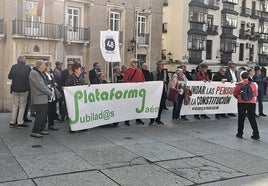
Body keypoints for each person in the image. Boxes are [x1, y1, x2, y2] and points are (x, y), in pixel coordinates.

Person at [233, 71, 260, 140]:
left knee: (241, 118)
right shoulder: (253, 84)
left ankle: (240, 133)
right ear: (248, 77)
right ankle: (256, 134)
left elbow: (235, 94)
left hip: (241, 103)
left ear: (241, 77)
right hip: (251, 103)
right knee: (252, 118)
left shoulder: (239, 84)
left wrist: (240, 98)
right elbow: (256, 94)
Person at [29, 60, 52, 138]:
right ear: (39, 66)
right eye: (44, 65)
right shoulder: (34, 73)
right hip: (39, 97)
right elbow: (40, 85)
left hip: (43, 97)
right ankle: (35, 131)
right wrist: (49, 92)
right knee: (40, 115)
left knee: (44, 115)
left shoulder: (40, 73)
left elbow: (44, 84)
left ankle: (41, 129)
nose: (45, 67)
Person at [8, 55, 31, 128]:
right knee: (22, 106)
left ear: (18, 60)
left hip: (15, 89)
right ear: (24, 60)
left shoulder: (14, 66)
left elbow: (10, 77)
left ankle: (12, 122)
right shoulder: (28, 67)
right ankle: (20, 123)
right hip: (24, 89)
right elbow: (30, 77)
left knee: (14, 105)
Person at [123, 58, 145, 125]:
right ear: (131, 63)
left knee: (137, 105)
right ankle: (127, 120)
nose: (136, 63)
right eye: (134, 62)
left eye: (136, 62)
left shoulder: (139, 70)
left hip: (138, 91)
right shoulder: (128, 70)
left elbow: (143, 78)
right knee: (129, 106)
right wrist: (132, 85)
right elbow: (125, 80)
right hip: (131, 91)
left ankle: (138, 119)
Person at [150, 60, 168, 125]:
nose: (162, 66)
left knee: (161, 106)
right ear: (157, 65)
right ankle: (151, 120)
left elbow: (167, 81)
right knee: (154, 105)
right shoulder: (153, 73)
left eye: (163, 65)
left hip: (163, 91)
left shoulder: (165, 72)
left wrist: (165, 81)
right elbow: (151, 82)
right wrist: (160, 82)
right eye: (160, 64)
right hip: (155, 92)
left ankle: (158, 119)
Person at [44, 64, 59, 131]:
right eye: (48, 66)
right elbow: (45, 85)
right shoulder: (44, 75)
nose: (49, 68)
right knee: (46, 111)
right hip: (47, 95)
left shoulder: (51, 75)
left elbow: (54, 83)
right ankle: (43, 126)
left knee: (52, 110)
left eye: (50, 66)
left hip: (53, 94)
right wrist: (51, 85)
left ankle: (51, 125)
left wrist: (54, 84)